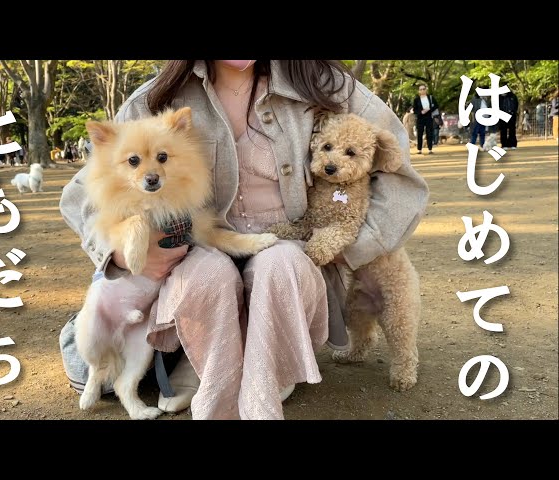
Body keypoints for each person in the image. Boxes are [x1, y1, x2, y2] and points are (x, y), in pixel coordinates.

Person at [59, 60, 429, 420]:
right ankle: (207, 367)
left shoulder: (324, 82)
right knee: (206, 271)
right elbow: (81, 197)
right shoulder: (157, 96)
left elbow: (403, 182)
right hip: (202, 248)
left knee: (280, 263)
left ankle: (270, 367)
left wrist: (347, 246)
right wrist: (118, 253)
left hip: (288, 245)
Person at [412, 84, 438, 154]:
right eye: (421, 89)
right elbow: (414, 110)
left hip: (429, 117)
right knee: (419, 133)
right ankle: (419, 149)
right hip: (420, 118)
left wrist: (429, 109)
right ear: (419, 91)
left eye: (424, 89)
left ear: (426, 90)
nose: (422, 90)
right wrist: (421, 112)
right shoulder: (416, 99)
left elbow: (436, 105)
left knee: (429, 133)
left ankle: (430, 149)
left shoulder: (430, 98)